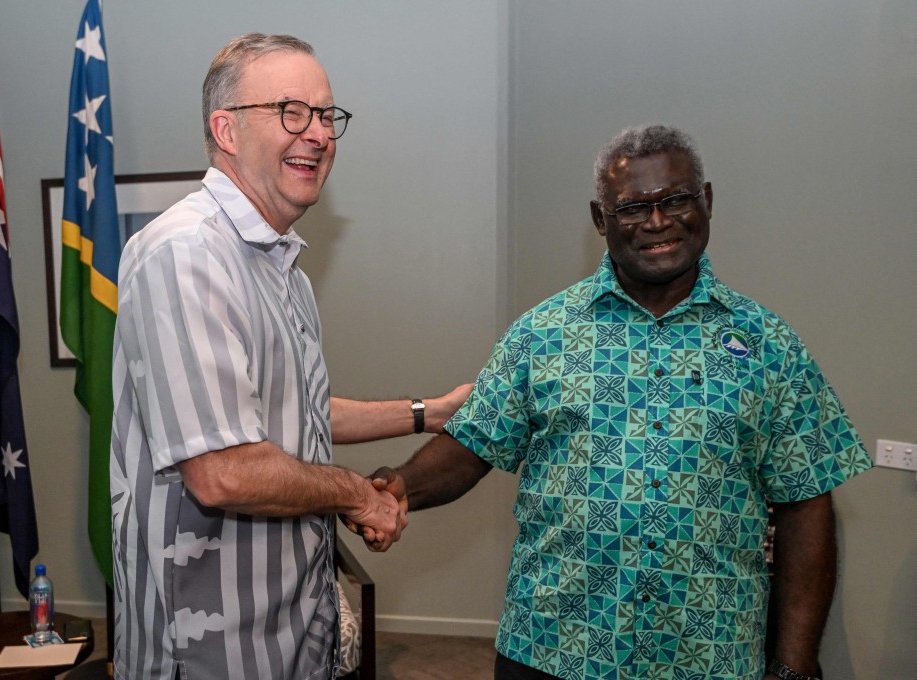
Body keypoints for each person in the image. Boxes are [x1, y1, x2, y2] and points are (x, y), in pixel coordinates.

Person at [367, 125, 871, 680]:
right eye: (632, 208)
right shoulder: (543, 333)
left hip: (708, 656)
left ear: (706, 201)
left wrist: (795, 664)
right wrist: (397, 489)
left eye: (676, 199)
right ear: (600, 219)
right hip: (554, 647)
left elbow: (807, 506)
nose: (657, 222)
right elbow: (473, 444)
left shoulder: (769, 346)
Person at [109, 33, 469, 680]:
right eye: (291, 112)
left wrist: (428, 413)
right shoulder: (186, 254)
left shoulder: (285, 270)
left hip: (295, 639)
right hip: (211, 658)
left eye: (327, 116)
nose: (318, 134)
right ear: (225, 129)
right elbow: (224, 468)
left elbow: (294, 411)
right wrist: (356, 495)